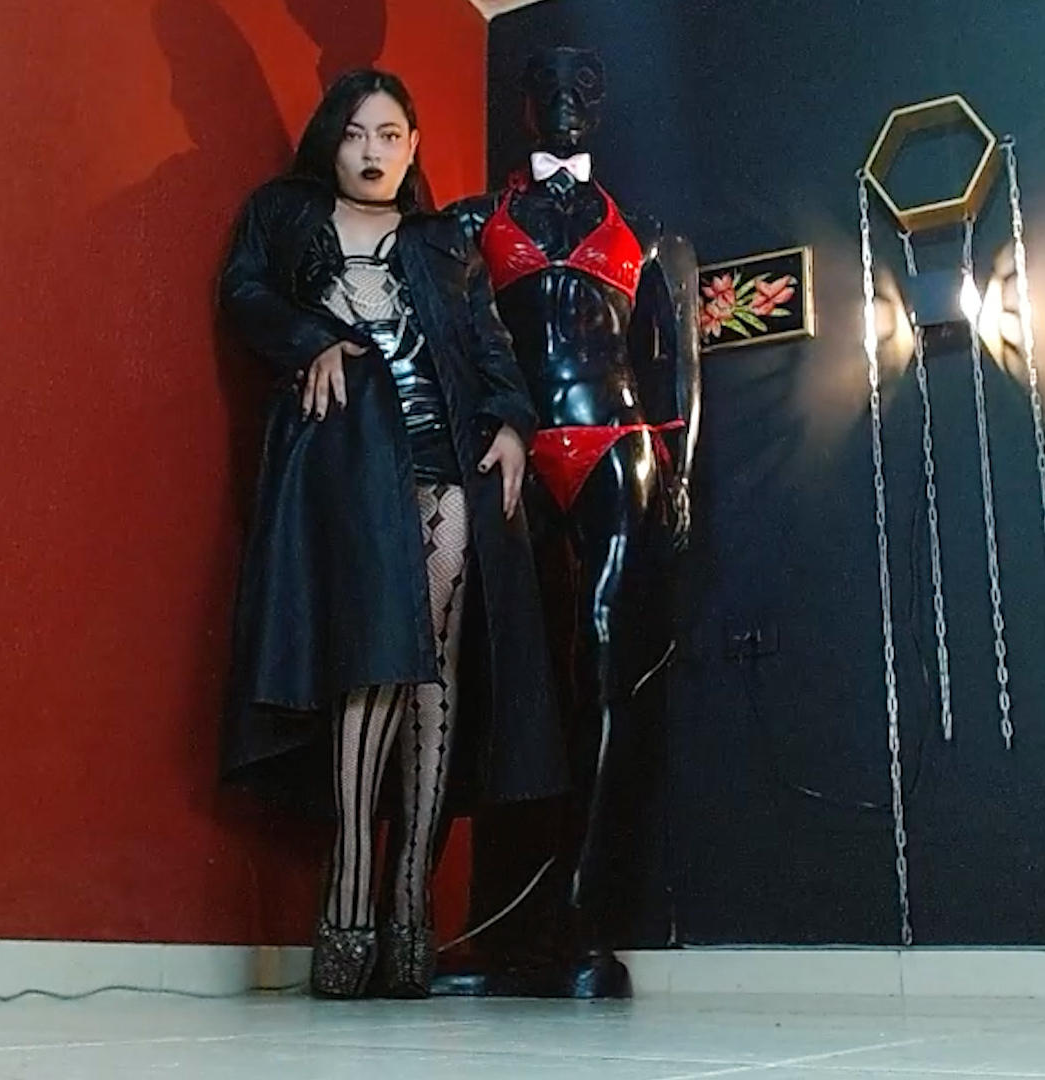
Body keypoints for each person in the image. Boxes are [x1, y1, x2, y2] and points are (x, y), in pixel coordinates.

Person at [216, 69, 564, 1000]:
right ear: (332, 140)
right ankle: (350, 892)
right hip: (348, 465)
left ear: (414, 148)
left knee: (432, 664)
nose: (373, 152)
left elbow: (492, 349)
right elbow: (243, 293)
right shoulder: (286, 216)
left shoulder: (445, 242)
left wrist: (511, 424)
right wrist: (309, 341)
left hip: (447, 461)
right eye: (357, 133)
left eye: (391, 135)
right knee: (376, 654)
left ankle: (409, 896)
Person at [441, 46, 700, 999]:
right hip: (514, 447)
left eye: (583, 88)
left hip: (618, 445)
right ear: (523, 105)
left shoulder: (654, 236)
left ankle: (585, 920)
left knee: (604, 673)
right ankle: (506, 925)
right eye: (547, 88)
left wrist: (681, 476)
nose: (563, 102)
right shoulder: (473, 221)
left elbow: (678, 368)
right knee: (510, 675)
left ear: (602, 104)